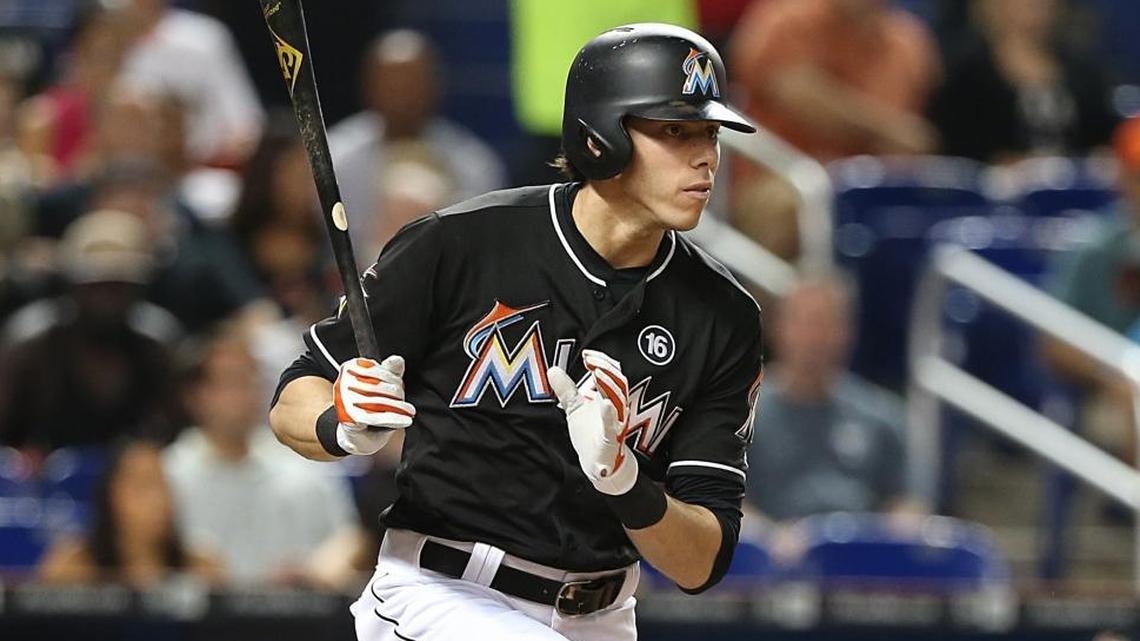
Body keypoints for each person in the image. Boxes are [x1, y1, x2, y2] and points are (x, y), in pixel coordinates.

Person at [270, 24, 764, 641]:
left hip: (604, 614)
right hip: (442, 592)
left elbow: (701, 563)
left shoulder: (724, 315)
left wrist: (624, 479)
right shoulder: (460, 244)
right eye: (675, 131)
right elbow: (295, 393)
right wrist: (338, 421)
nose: (706, 156)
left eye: (710, 133)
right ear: (599, 135)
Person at [163, 328, 362, 587]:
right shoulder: (169, 473)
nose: (247, 394)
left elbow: (350, 540)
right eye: (232, 381)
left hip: (292, 614)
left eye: (252, 379)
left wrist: (319, 568)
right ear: (196, 396)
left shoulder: (299, 464)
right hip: (199, 619)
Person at [743, 277, 923, 526]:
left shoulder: (882, 416)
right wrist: (770, 538)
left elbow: (905, 501)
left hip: (858, 554)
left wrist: (902, 526)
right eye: (805, 323)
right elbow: (722, 503)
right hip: (773, 555)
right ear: (777, 329)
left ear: (847, 332)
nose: (815, 338)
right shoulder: (740, 416)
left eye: (826, 324)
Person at [0, 209, 179, 452]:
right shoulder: (31, 345)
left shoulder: (156, 345)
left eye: (119, 286)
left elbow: (171, 431)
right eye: (96, 287)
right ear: (72, 286)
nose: (107, 300)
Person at [328, 29, 506, 262]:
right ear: (366, 85)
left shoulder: (474, 165)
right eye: (390, 83)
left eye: (411, 82)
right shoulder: (335, 158)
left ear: (435, 86)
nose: (400, 94)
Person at [928, 0, 1118, 163]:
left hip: (1072, 193)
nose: (1036, 6)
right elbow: (951, 147)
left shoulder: (1083, 70)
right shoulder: (968, 72)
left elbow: (1105, 137)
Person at [37, 438, 223, 587]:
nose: (158, 500)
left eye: (163, 486)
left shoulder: (201, 570)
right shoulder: (73, 569)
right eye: (143, 486)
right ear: (111, 495)